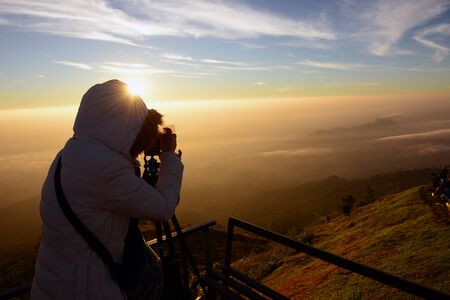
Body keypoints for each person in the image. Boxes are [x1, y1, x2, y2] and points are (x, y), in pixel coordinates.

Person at [31, 79, 183, 299]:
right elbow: (164, 208)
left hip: (55, 280)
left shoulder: (69, 153)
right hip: (87, 287)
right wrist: (169, 156)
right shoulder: (106, 171)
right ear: (124, 126)